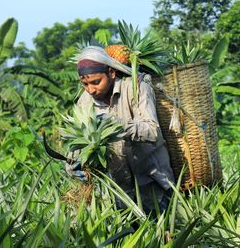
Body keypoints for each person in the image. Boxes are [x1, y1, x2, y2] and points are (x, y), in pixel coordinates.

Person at [67, 46, 175, 215]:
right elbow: (79, 142)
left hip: (153, 183)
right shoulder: (84, 101)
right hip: (119, 191)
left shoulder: (136, 86)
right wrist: (73, 164)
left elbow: (152, 130)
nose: (90, 90)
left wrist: (116, 124)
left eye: (96, 82)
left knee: (163, 236)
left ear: (111, 73)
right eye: (85, 84)